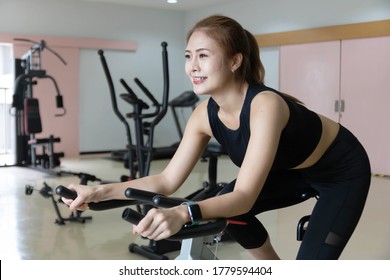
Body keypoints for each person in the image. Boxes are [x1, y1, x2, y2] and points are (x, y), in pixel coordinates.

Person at [63, 15, 371, 260]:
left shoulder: (266, 105)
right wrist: (98, 192)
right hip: (290, 169)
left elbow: (245, 196)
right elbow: (166, 181)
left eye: (203, 56)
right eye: (188, 56)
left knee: (237, 207)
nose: (192, 67)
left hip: (340, 172)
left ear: (236, 61)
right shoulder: (203, 115)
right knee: (232, 214)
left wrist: (185, 212)